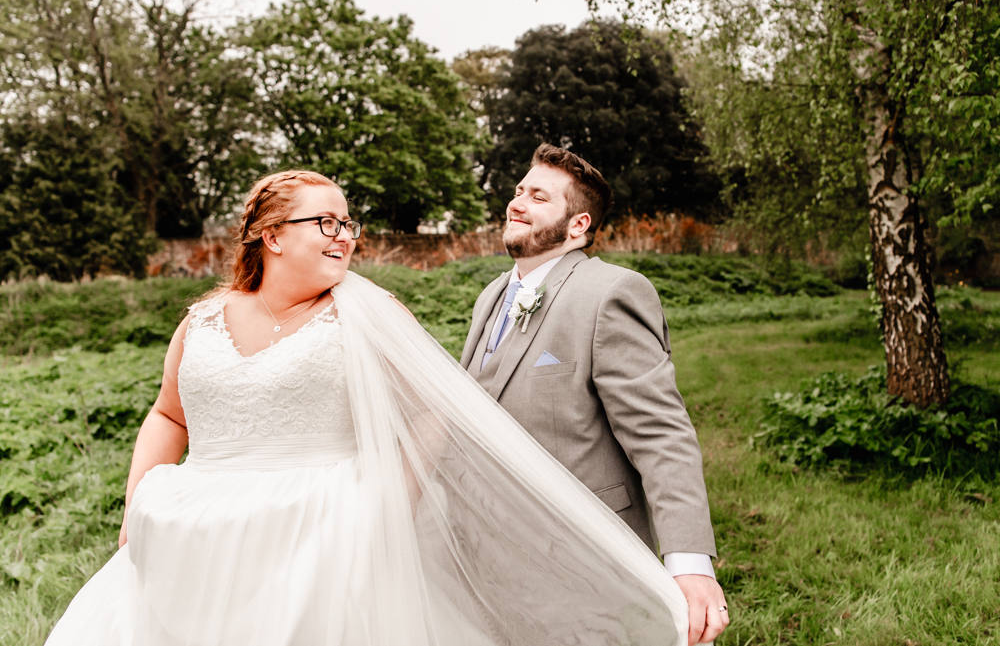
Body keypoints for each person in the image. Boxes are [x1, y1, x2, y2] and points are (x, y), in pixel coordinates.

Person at [45, 170, 691, 646]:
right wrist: (136, 505)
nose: (345, 236)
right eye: (326, 222)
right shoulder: (201, 320)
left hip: (315, 541)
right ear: (272, 235)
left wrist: (378, 509)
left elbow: (435, 412)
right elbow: (168, 416)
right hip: (188, 535)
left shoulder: (368, 313)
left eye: (348, 223)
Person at [460, 144, 730, 646]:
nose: (517, 202)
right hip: (491, 549)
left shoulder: (612, 293)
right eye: (519, 190)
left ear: (578, 225)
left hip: (582, 554)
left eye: (539, 197)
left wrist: (689, 563)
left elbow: (661, 434)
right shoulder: (491, 295)